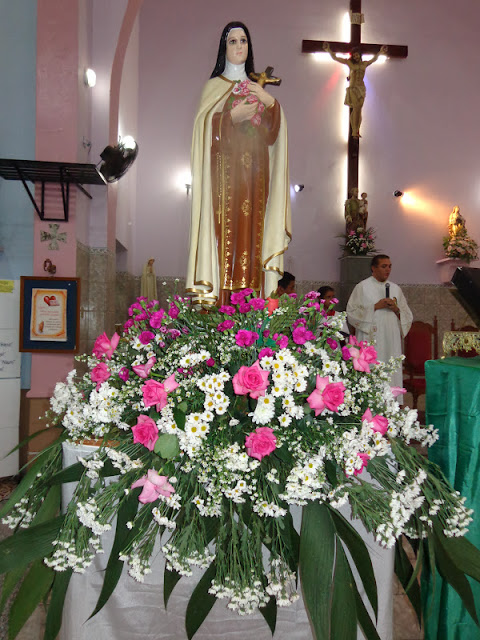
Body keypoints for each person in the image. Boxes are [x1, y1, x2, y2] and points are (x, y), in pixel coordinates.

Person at [186, 22, 291, 306]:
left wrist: (271, 104)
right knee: (225, 236)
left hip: (255, 177)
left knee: (254, 233)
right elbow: (203, 128)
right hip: (223, 180)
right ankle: (220, 301)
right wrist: (232, 117)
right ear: (224, 47)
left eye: (243, 40)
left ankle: (252, 302)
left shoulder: (257, 87)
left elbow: (272, 134)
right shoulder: (214, 87)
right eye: (233, 41)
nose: (239, 46)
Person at [346, 254, 413, 395]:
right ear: (373, 268)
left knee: (390, 366)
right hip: (371, 337)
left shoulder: (395, 288)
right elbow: (351, 312)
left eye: (389, 266)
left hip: (391, 337)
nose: (387, 270)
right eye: (384, 266)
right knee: (372, 370)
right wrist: (375, 306)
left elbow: (407, 315)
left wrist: (396, 309)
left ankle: (391, 403)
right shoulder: (362, 287)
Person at [323, 43, 387, 137]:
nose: (356, 57)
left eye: (357, 55)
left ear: (360, 55)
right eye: (354, 55)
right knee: (356, 108)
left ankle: (357, 130)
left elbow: (374, 59)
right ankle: (354, 130)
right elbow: (336, 58)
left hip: (361, 88)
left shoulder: (365, 63)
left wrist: (380, 52)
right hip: (353, 88)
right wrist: (329, 50)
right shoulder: (349, 63)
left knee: (359, 109)